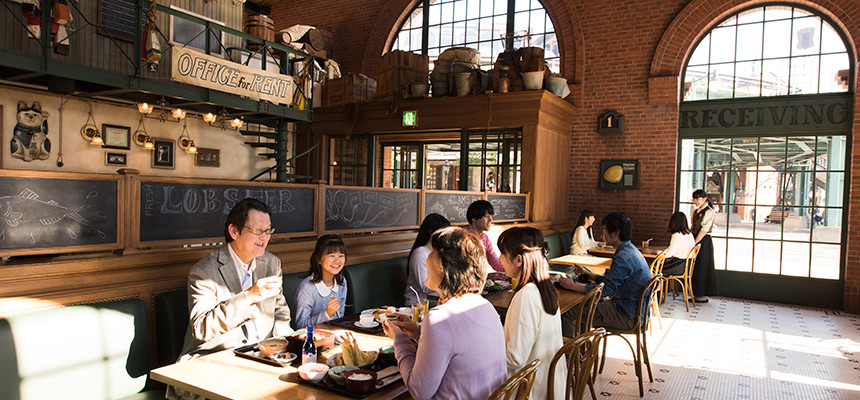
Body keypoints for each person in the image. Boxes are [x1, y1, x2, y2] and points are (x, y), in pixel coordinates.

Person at [168, 198, 293, 400]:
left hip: (261, 360)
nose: (265, 237)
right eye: (258, 231)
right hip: (212, 363)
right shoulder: (204, 272)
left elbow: (280, 311)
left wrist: (286, 346)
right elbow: (202, 327)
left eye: (268, 230)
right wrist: (250, 296)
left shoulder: (271, 263)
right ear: (234, 231)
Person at [383, 226, 506, 400]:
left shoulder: (440, 318)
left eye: (432, 251)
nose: (427, 257)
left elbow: (419, 391)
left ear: (442, 264)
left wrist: (399, 339)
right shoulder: (484, 305)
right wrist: (418, 333)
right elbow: (458, 348)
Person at [497, 227, 567, 400]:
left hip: (530, 391)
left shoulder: (526, 295)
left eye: (503, 254)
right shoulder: (546, 288)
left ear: (519, 260)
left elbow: (515, 358)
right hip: (552, 386)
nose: (499, 260)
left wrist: (484, 348)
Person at [558, 211, 651, 334]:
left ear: (616, 233)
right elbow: (613, 282)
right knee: (582, 307)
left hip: (626, 316)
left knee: (568, 312)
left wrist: (572, 286)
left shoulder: (623, 257)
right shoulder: (630, 250)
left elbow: (606, 291)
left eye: (604, 230)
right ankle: (582, 350)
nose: (602, 234)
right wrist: (589, 274)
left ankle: (571, 353)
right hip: (635, 312)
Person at [294, 235, 348, 328]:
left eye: (341, 256)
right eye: (331, 256)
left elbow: (340, 317)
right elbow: (300, 326)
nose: (337, 261)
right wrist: (326, 314)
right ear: (318, 259)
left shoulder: (342, 281)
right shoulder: (307, 288)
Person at [404, 213, 450, 306]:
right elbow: (424, 287)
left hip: (434, 301)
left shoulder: (437, 251)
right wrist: (449, 282)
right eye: (443, 232)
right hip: (417, 305)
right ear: (431, 232)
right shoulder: (419, 254)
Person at [691, 189, 719, 303]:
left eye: (698, 198)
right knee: (696, 266)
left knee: (703, 267)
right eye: (694, 199)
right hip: (695, 239)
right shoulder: (696, 211)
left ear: (705, 199)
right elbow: (692, 227)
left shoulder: (709, 212)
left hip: (704, 241)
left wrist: (694, 243)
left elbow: (704, 230)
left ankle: (703, 294)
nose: (696, 201)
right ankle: (696, 293)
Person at [464, 200, 504, 273]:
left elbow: (495, 262)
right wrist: (488, 277)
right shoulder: (463, 237)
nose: (490, 220)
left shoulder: (484, 238)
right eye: (486, 216)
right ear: (474, 218)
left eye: (491, 216)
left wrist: (511, 270)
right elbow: (465, 268)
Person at [661, 211, 696, 276]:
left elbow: (669, 253)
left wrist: (654, 252)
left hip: (678, 265)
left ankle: (654, 286)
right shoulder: (689, 234)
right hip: (688, 266)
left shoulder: (677, 235)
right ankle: (668, 286)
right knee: (659, 266)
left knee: (655, 268)